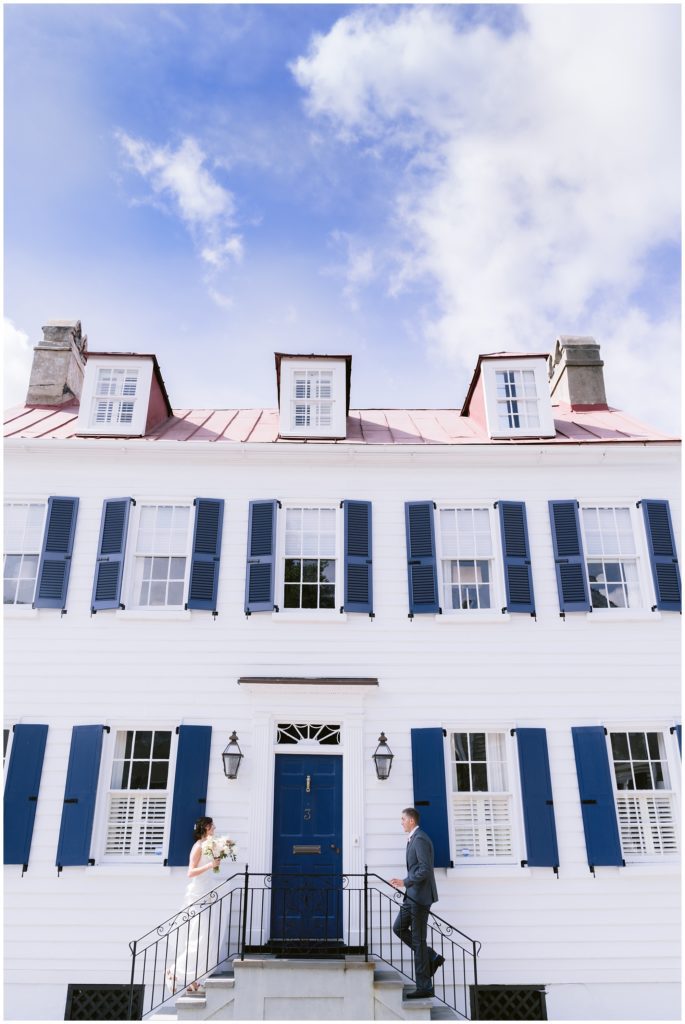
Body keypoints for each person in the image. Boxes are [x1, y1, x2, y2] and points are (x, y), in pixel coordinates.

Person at [390, 807, 445, 998]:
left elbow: (425, 870)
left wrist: (405, 882)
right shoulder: (413, 838)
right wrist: (405, 884)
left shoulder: (420, 838)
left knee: (418, 940)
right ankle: (431, 956)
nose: (401, 822)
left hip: (420, 897)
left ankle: (424, 986)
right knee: (399, 928)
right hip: (411, 896)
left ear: (411, 820)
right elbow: (417, 869)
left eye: (403, 819)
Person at [165, 816, 223, 997]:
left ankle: (194, 981)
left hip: (207, 891)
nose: (214, 827)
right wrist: (209, 866)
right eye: (212, 825)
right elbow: (191, 872)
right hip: (198, 894)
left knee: (204, 939)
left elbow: (212, 869)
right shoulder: (198, 847)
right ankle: (173, 972)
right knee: (197, 938)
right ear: (206, 827)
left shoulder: (210, 845)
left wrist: (216, 864)